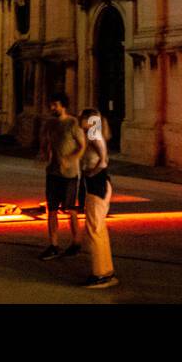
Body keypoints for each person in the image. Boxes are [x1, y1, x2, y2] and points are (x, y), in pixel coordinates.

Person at [39, 93, 85, 260]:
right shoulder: (50, 124)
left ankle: (76, 242)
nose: (52, 108)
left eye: (55, 104)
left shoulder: (73, 123)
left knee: (70, 209)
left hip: (70, 174)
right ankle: (54, 245)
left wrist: (70, 159)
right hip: (52, 172)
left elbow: (82, 146)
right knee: (51, 209)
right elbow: (45, 142)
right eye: (51, 105)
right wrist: (44, 152)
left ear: (63, 105)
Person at [78, 108, 118, 289]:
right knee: (98, 229)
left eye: (83, 119)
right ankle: (105, 270)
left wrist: (90, 174)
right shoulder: (94, 136)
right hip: (99, 185)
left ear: (90, 120)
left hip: (98, 185)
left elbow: (103, 162)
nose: (80, 121)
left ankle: (100, 273)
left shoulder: (95, 136)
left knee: (94, 230)